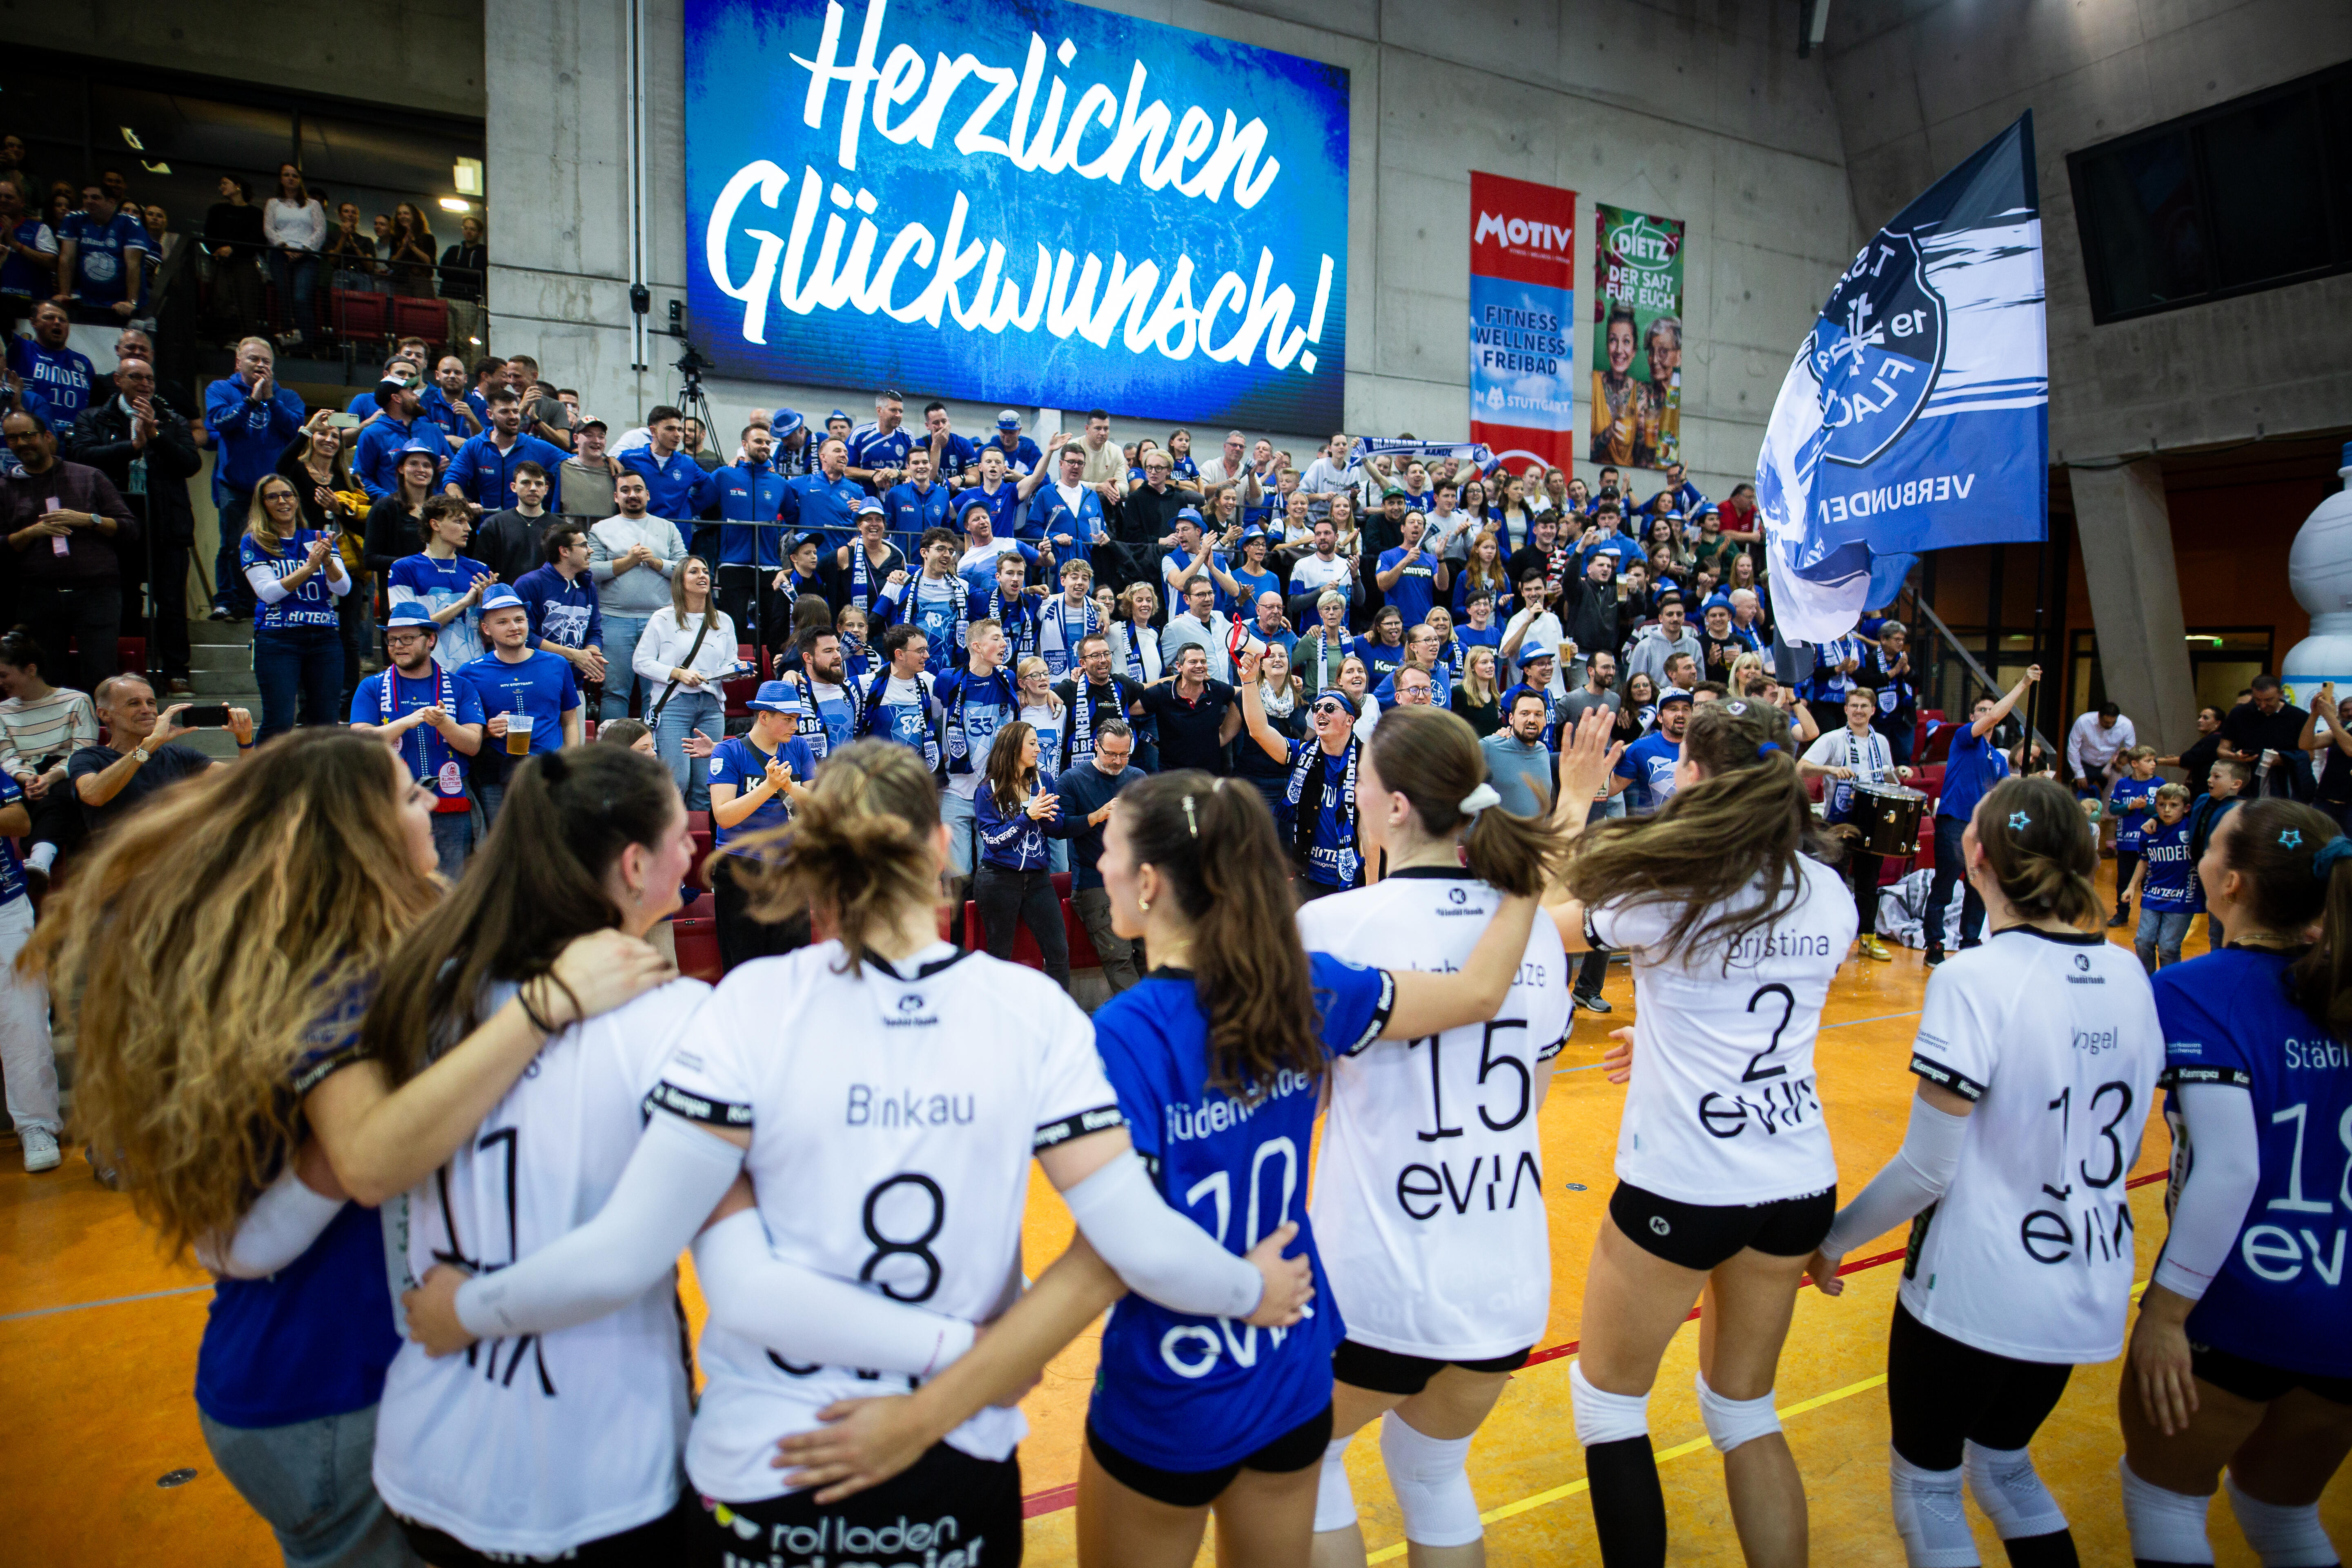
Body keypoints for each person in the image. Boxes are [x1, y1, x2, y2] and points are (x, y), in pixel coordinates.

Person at [394, 738, 1319, 1565]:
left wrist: (467, 1308)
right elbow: (1138, 1244)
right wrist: (1247, 1290)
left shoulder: (744, 1007)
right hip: (955, 1447)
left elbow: (719, 1278)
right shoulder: (1030, 1010)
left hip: (773, 1460)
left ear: (816, 855)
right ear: (943, 848)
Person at [33, 728, 671, 1566]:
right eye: (409, 798)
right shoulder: (335, 965)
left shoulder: (344, 945)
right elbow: (365, 1161)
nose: (428, 809)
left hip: (294, 1372)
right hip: (326, 1386)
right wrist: (547, 1004)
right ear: (358, 834)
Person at [1801, 773, 2160, 1568]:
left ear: (1974, 855)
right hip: (2089, 1275)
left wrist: (1832, 1242)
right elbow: (2133, 1145)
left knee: (1928, 1489)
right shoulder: (2133, 974)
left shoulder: (1974, 978)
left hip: (1980, 1285)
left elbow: (1930, 1167)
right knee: (2008, 1468)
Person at [1301, 706, 1615, 1568]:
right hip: (1503, 1279)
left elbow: (1297, 1110)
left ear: (1396, 805)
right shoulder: (1533, 943)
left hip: (1379, 1284)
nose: (1355, 790)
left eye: (1362, 775)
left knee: (1306, 1466)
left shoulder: (1333, 930)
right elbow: (1533, 1101)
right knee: (1434, 1470)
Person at [1542, 697, 1853, 1567]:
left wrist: (1575, 803)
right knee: (1744, 1410)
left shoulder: (1669, 883)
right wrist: (1667, 1035)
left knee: (1609, 1404)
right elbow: (1759, 1005)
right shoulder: (1828, 890)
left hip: (1691, 1178)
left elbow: (1543, 922)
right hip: (1797, 1178)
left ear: (1693, 777)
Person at [2120, 798, 2352, 1568]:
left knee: (2166, 1502)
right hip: (2343, 1308)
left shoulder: (2194, 991)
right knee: (2283, 1518)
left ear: (2232, 886)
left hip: (2241, 1302)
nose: (2202, 853)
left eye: (2212, 844)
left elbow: (2228, 1167)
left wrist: (2164, 1314)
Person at [349, 603, 485, 878]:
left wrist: (444, 723)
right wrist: (406, 722)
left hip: (450, 802)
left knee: (451, 889)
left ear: (431, 640)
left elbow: (473, 744)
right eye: (392, 640)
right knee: (397, 887)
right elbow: (360, 742)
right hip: (392, 804)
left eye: (408, 638)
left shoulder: (461, 686)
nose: (399, 646)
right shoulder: (372, 686)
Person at [1926, 668, 2038, 966]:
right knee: (1945, 884)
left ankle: (1970, 942)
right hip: (1955, 820)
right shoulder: (1965, 738)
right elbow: (1994, 717)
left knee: (1980, 885)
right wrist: (2024, 684)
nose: (1988, 714)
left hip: (1983, 827)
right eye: (1982, 711)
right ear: (1973, 716)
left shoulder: (1999, 758)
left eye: (1990, 709)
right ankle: (1935, 944)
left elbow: (2003, 788)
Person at [1800, 686, 1915, 963]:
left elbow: (1887, 777)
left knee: (1868, 882)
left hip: (1873, 822)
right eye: (1854, 706)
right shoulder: (1833, 739)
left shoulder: (1882, 742)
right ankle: (1826, 937)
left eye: (1865, 706)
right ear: (1846, 710)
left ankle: (1867, 938)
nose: (1859, 711)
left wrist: (1900, 773)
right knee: (1835, 881)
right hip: (1839, 820)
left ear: (1874, 710)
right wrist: (1830, 769)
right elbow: (1801, 768)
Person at [706, 679, 815, 970]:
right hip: (741, 866)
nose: (796, 726)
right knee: (745, 964)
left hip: (788, 866)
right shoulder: (728, 753)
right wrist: (768, 787)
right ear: (764, 717)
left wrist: (788, 787)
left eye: (797, 719)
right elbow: (724, 816)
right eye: (788, 719)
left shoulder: (800, 748)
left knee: (792, 963)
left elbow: (818, 806)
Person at [1238, 656, 1365, 901]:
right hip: (1309, 879)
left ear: (1350, 719)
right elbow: (1259, 730)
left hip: (1352, 884)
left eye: (1330, 708)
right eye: (1316, 708)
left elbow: (1370, 837)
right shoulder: (1303, 754)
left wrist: (1372, 891)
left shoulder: (1368, 761)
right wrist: (1249, 681)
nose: (1320, 712)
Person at [241, 472, 350, 743]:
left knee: (325, 722)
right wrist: (310, 567)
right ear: (262, 504)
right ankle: (259, 782)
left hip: (324, 638)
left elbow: (343, 588)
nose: (282, 501)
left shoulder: (319, 537)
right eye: (273, 496)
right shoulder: (255, 541)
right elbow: (268, 593)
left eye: (287, 495)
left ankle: (316, 783)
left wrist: (328, 563)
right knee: (279, 721)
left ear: (297, 500)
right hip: (278, 638)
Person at [205, 338, 307, 619]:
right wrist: (251, 401)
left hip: (274, 489)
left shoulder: (288, 397)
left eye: (267, 361)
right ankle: (227, 601)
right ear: (239, 363)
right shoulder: (221, 389)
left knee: (271, 545)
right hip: (234, 485)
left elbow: (295, 431)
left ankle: (260, 601)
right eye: (254, 360)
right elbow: (221, 423)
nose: (261, 365)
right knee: (231, 545)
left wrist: (270, 399)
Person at [1047, 718, 1146, 995]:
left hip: (1135, 879)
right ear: (1096, 747)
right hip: (1094, 881)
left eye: (1124, 754)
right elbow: (1059, 829)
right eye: (1111, 754)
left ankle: (1159, 1017)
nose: (1117, 762)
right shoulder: (1072, 779)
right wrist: (1097, 816)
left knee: (1149, 953)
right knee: (1119, 957)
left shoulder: (1137, 777)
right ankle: (1139, 1022)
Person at [971, 719, 1071, 989]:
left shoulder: (1044, 780)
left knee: (1059, 952)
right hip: (998, 879)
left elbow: (1057, 826)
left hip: (1038, 878)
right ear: (1014, 747)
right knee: (1000, 956)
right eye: (1033, 743)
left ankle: (1060, 1021)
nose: (1039, 749)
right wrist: (1028, 816)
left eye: (1038, 743)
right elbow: (992, 840)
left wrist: (1050, 817)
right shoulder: (987, 790)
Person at [631, 556, 735, 811]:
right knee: (677, 780)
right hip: (674, 705)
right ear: (680, 580)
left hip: (712, 705)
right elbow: (640, 662)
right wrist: (677, 673)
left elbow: (730, 663)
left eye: (706, 571)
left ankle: (697, 847)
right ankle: (670, 841)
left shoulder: (724, 620)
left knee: (706, 784)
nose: (703, 576)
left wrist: (737, 672)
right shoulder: (662, 619)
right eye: (694, 572)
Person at [587, 472, 686, 722]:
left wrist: (654, 562)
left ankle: (650, 751)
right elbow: (590, 571)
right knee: (614, 692)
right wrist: (629, 561)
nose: (632, 495)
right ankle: (613, 752)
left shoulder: (668, 528)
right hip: (613, 620)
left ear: (648, 495)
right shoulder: (601, 529)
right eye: (626, 490)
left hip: (661, 621)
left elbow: (685, 570)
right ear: (616, 496)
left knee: (655, 691)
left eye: (638, 490)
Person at [0, 628, 95, 886]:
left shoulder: (77, 701)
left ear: (30, 670)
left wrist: (50, 778)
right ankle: (41, 857)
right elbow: (6, 756)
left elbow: (83, 751)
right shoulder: (2, 711)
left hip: (65, 770)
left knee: (64, 791)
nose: (1, 683)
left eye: (4, 675)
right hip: (21, 774)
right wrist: (28, 778)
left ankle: (41, 859)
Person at [386, 494, 492, 673]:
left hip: (475, 671)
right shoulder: (404, 569)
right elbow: (410, 629)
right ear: (435, 525)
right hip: (427, 672)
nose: (468, 528)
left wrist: (484, 606)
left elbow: (488, 636)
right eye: (459, 521)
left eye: (468, 522)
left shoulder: (479, 570)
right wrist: (464, 603)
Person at [2123, 782, 2201, 973]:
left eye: (2174, 805)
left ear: (2186, 808)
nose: (2167, 810)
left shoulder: (2192, 828)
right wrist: (2132, 886)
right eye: (2161, 805)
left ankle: (2169, 984)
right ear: (2155, 805)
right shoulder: (2149, 830)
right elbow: (2143, 860)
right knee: (2143, 942)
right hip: (2153, 893)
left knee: (2168, 948)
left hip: (2183, 896)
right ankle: (2149, 983)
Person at [260, 164, 324, 350]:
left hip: (308, 255)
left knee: (301, 298)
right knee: (285, 298)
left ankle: (307, 345)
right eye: (287, 175)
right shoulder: (273, 203)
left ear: (300, 180)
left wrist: (304, 249)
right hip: (280, 254)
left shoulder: (313, 204)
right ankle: (289, 345)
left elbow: (320, 231)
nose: (291, 178)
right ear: (281, 179)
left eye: (295, 176)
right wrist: (284, 247)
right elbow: (269, 229)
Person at [2218, 676, 2313, 801]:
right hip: (2246, 782)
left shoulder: (2299, 717)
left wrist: (2284, 759)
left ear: (2281, 694)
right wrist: (2236, 757)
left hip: (2285, 784)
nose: (2263, 705)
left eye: (2269, 700)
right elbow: (2222, 750)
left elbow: (2310, 755)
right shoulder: (2239, 714)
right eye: (2257, 700)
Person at [8, 300, 94, 432]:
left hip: (75, 441)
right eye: (49, 317)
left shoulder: (84, 363)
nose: (57, 322)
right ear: (34, 323)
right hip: (33, 436)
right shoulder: (20, 349)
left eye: (63, 320)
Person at [2107, 745, 2164, 928]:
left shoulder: (2160, 784)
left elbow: (2165, 810)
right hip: (2126, 841)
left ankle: (2150, 918)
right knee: (2124, 879)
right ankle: (2122, 914)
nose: (2154, 764)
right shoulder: (2123, 784)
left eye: (2154, 760)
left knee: (2149, 881)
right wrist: (2130, 807)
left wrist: (2146, 807)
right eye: (2149, 761)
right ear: (2135, 764)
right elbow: (2113, 809)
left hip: (2151, 841)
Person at [2298, 680, 2352, 834]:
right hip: (2325, 800)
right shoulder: (2340, 729)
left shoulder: (2338, 728)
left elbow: (2350, 750)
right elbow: (2306, 744)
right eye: (2346, 710)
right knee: (2319, 843)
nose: (2350, 714)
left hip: (2350, 806)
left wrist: (2330, 717)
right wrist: (2315, 715)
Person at [2065, 699, 2136, 813]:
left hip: (2110, 765)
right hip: (2084, 763)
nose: (2110, 725)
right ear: (2099, 716)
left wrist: (2121, 762)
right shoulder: (2083, 721)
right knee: (2076, 801)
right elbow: (2073, 748)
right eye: (2106, 722)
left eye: (2113, 722)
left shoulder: (2126, 725)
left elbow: (2130, 750)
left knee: (2114, 800)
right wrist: (2079, 773)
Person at [1454, 643, 1503, 738]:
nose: (1490, 666)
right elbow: (1455, 729)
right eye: (1484, 662)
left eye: (1492, 662)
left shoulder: (1495, 696)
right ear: (1472, 667)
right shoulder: (1460, 693)